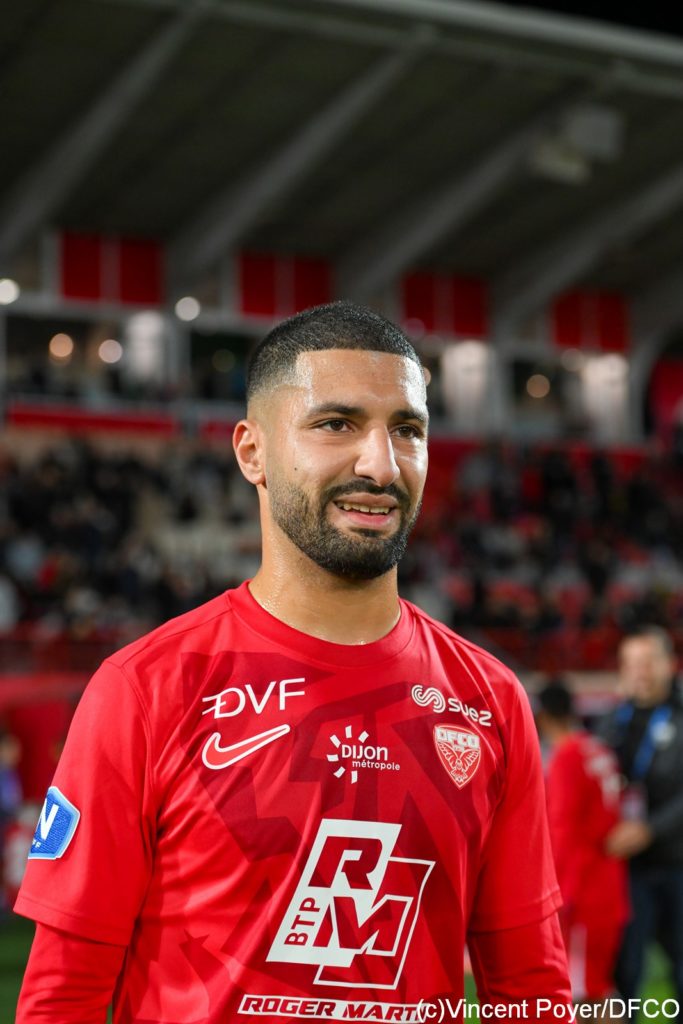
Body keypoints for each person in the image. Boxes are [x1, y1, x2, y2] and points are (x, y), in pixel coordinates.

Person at [14, 302, 571, 1023]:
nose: (380, 464)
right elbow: (65, 995)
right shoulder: (146, 688)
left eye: (407, 430)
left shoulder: (488, 699)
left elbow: (531, 990)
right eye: (336, 424)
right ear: (252, 453)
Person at [600, 626, 683, 1014]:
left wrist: (649, 830)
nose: (640, 672)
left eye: (648, 662)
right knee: (625, 973)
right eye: (631, 663)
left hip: (677, 863)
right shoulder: (610, 722)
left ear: (670, 664)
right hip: (625, 868)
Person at [536, 679, 628, 1003]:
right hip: (607, 883)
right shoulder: (596, 748)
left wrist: (556, 893)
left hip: (582, 890)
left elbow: (563, 831)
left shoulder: (567, 757)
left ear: (543, 718)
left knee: (584, 997)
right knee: (596, 988)